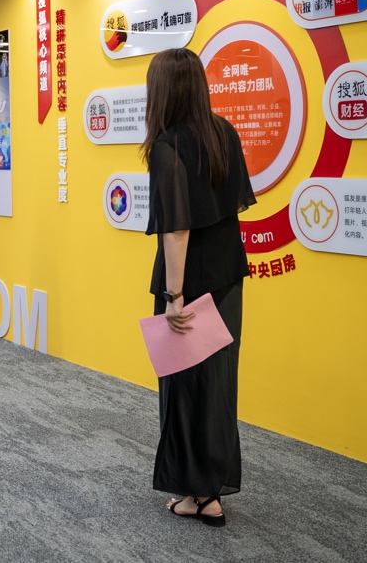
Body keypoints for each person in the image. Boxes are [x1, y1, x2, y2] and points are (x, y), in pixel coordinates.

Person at [141, 47, 255, 528]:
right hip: (226, 280)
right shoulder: (224, 133)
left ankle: (195, 494)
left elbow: (177, 229)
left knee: (182, 388)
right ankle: (211, 494)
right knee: (217, 387)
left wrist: (173, 297)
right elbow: (233, 205)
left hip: (187, 287)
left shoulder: (167, 146)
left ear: (163, 91)